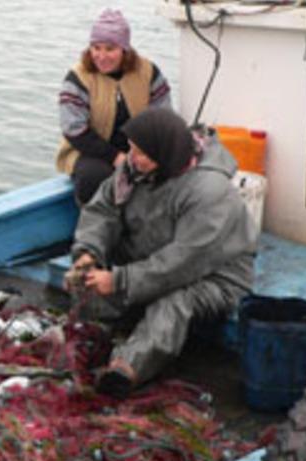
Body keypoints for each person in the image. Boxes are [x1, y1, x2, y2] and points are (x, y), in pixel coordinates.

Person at [66, 108, 257, 397]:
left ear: (165, 153)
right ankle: (99, 332)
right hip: (150, 255)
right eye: (131, 149)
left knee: (172, 303)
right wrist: (88, 254)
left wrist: (119, 281)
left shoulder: (209, 192)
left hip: (214, 273)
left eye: (141, 152)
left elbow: (184, 262)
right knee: (85, 282)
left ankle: (126, 370)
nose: (132, 157)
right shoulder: (135, 169)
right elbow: (102, 211)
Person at [55, 8, 172, 205]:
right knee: (95, 176)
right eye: (96, 48)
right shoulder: (78, 78)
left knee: (167, 171)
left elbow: (162, 116)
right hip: (89, 151)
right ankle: (94, 228)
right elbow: (73, 129)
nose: (101, 56)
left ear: (124, 50)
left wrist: (147, 153)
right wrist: (116, 157)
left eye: (110, 49)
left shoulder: (148, 72)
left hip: (138, 149)